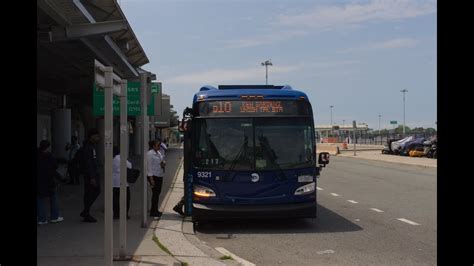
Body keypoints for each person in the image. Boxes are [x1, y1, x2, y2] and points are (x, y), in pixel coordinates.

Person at [37, 140, 64, 225]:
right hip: (49, 181)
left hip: (38, 181)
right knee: (53, 198)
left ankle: (41, 219)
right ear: (48, 147)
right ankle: (54, 217)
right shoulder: (49, 156)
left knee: (40, 199)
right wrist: (60, 178)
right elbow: (54, 168)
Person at [79, 129, 101, 223]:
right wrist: (92, 177)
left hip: (93, 174)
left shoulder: (91, 146)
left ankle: (86, 211)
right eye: (96, 136)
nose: (98, 138)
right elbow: (88, 163)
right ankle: (86, 212)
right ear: (91, 136)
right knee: (91, 192)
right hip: (90, 175)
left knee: (93, 192)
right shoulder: (88, 148)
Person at [147, 139, 166, 218]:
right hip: (153, 176)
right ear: (153, 146)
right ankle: (153, 211)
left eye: (160, 145)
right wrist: (151, 179)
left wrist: (163, 163)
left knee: (157, 194)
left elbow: (161, 161)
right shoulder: (149, 154)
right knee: (155, 194)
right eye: (158, 145)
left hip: (159, 175)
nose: (159, 146)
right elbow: (149, 167)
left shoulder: (158, 152)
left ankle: (155, 210)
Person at [112, 146, 132, 220]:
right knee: (126, 199)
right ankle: (124, 214)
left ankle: (116, 214)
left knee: (115, 199)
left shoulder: (110, 158)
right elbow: (129, 166)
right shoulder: (121, 158)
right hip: (123, 182)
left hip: (113, 182)